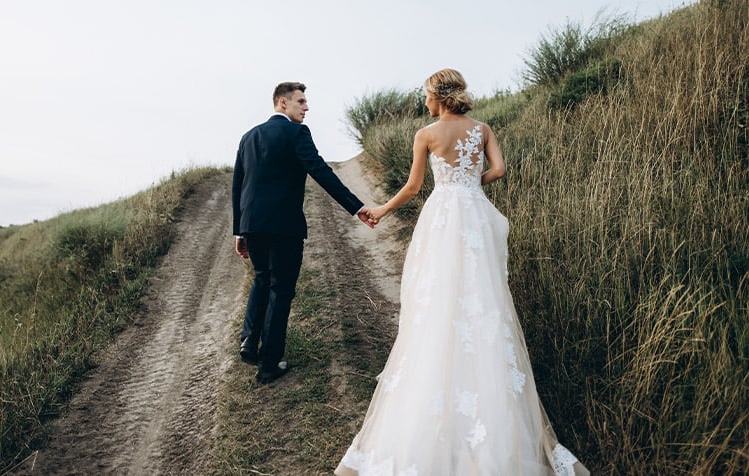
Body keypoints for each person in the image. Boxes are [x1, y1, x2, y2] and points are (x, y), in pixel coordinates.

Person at [335, 69, 589, 475]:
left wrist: (381, 210)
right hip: (475, 217)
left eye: (426, 95)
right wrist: (470, 186)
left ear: (438, 96)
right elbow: (500, 170)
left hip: (443, 219)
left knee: (436, 298)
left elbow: (414, 188)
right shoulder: (483, 128)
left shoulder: (426, 134)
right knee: (484, 299)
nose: (424, 102)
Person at [232, 81, 375, 385]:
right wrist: (356, 206)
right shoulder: (297, 133)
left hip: (252, 225)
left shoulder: (248, 137)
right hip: (284, 226)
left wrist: (238, 230)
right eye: (301, 102)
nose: (306, 107)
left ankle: (249, 340)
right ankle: (269, 364)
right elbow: (320, 171)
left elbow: (238, 186)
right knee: (281, 290)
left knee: (261, 278)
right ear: (282, 103)